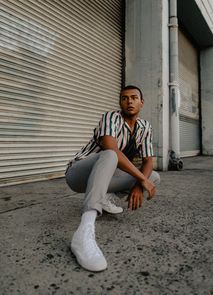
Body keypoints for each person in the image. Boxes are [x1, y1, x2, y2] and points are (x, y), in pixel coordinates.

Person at [65, 85, 160, 272]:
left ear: (142, 103)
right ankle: (84, 232)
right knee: (110, 155)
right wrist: (142, 179)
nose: (129, 101)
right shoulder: (111, 117)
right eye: (124, 98)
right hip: (78, 174)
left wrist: (139, 185)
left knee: (154, 177)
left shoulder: (145, 127)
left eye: (134, 98)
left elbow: (149, 160)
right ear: (120, 102)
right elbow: (111, 148)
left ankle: (107, 196)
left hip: (104, 176)